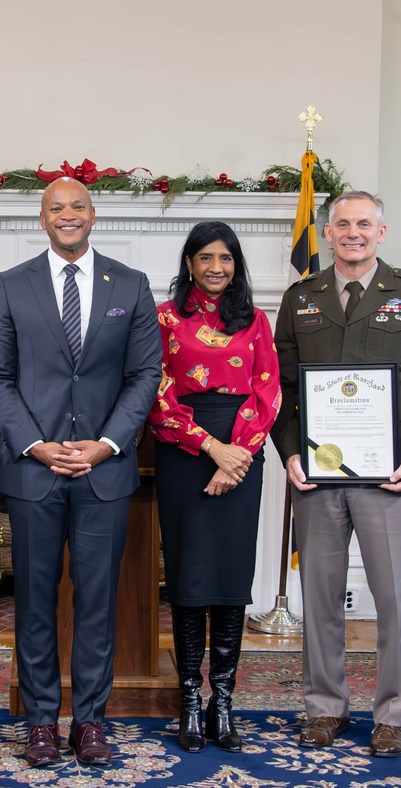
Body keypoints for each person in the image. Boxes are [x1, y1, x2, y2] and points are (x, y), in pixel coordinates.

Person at [0, 177, 161, 767]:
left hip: (104, 473)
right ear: (42, 218)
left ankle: (89, 721)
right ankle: (39, 722)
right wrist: (35, 444)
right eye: (56, 208)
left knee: (97, 603)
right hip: (34, 473)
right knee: (32, 602)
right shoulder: (9, 287)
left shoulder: (130, 286)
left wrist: (107, 444)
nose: (68, 215)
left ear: (93, 214)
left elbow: (144, 376)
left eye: (77, 206)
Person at [270, 191, 401, 758]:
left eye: (364, 224)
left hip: (389, 475)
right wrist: (289, 453)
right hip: (318, 476)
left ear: (382, 231)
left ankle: (393, 714)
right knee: (320, 597)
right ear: (327, 233)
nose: (353, 232)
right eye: (343, 223)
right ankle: (324, 707)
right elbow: (281, 389)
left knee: (398, 600)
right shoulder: (301, 298)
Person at [147, 221, 280, 753]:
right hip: (185, 454)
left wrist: (237, 455)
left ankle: (222, 701)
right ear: (189, 263)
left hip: (243, 456)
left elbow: (267, 392)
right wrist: (211, 448)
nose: (216, 268)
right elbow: (155, 394)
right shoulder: (164, 318)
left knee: (229, 579)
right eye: (206, 258)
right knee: (188, 578)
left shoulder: (255, 320)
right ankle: (189, 702)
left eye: (225, 258)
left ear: (236, 264)